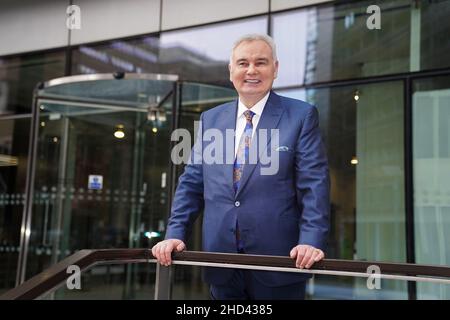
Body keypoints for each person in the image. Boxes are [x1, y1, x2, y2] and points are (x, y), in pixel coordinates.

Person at [152, 34, 330, 300]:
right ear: (231, 70)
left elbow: (314, 184)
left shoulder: (301, 116)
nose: (251, 70)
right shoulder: (211, 119)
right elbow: (192, 183)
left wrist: (311, 239)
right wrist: (175, 232)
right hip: (221, 261)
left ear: (275, 68)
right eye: (243, 63)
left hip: (279, 263)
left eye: (261, 62)